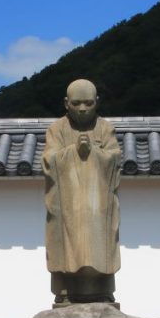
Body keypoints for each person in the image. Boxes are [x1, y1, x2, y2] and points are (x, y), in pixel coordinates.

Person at [42, 79, 121, 305]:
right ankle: (65, 291)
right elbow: (49, 161)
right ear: (66, 103)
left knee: (101, 243)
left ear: (97, 102)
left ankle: (103, 290)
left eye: (88, 103)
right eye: (77, 103)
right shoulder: (57, 129)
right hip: (68, 204)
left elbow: (115, 157)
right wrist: (74, 152)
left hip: (98, 205)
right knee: (65, 246)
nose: (83, 109)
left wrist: (94, 153)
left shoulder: (105, 128)